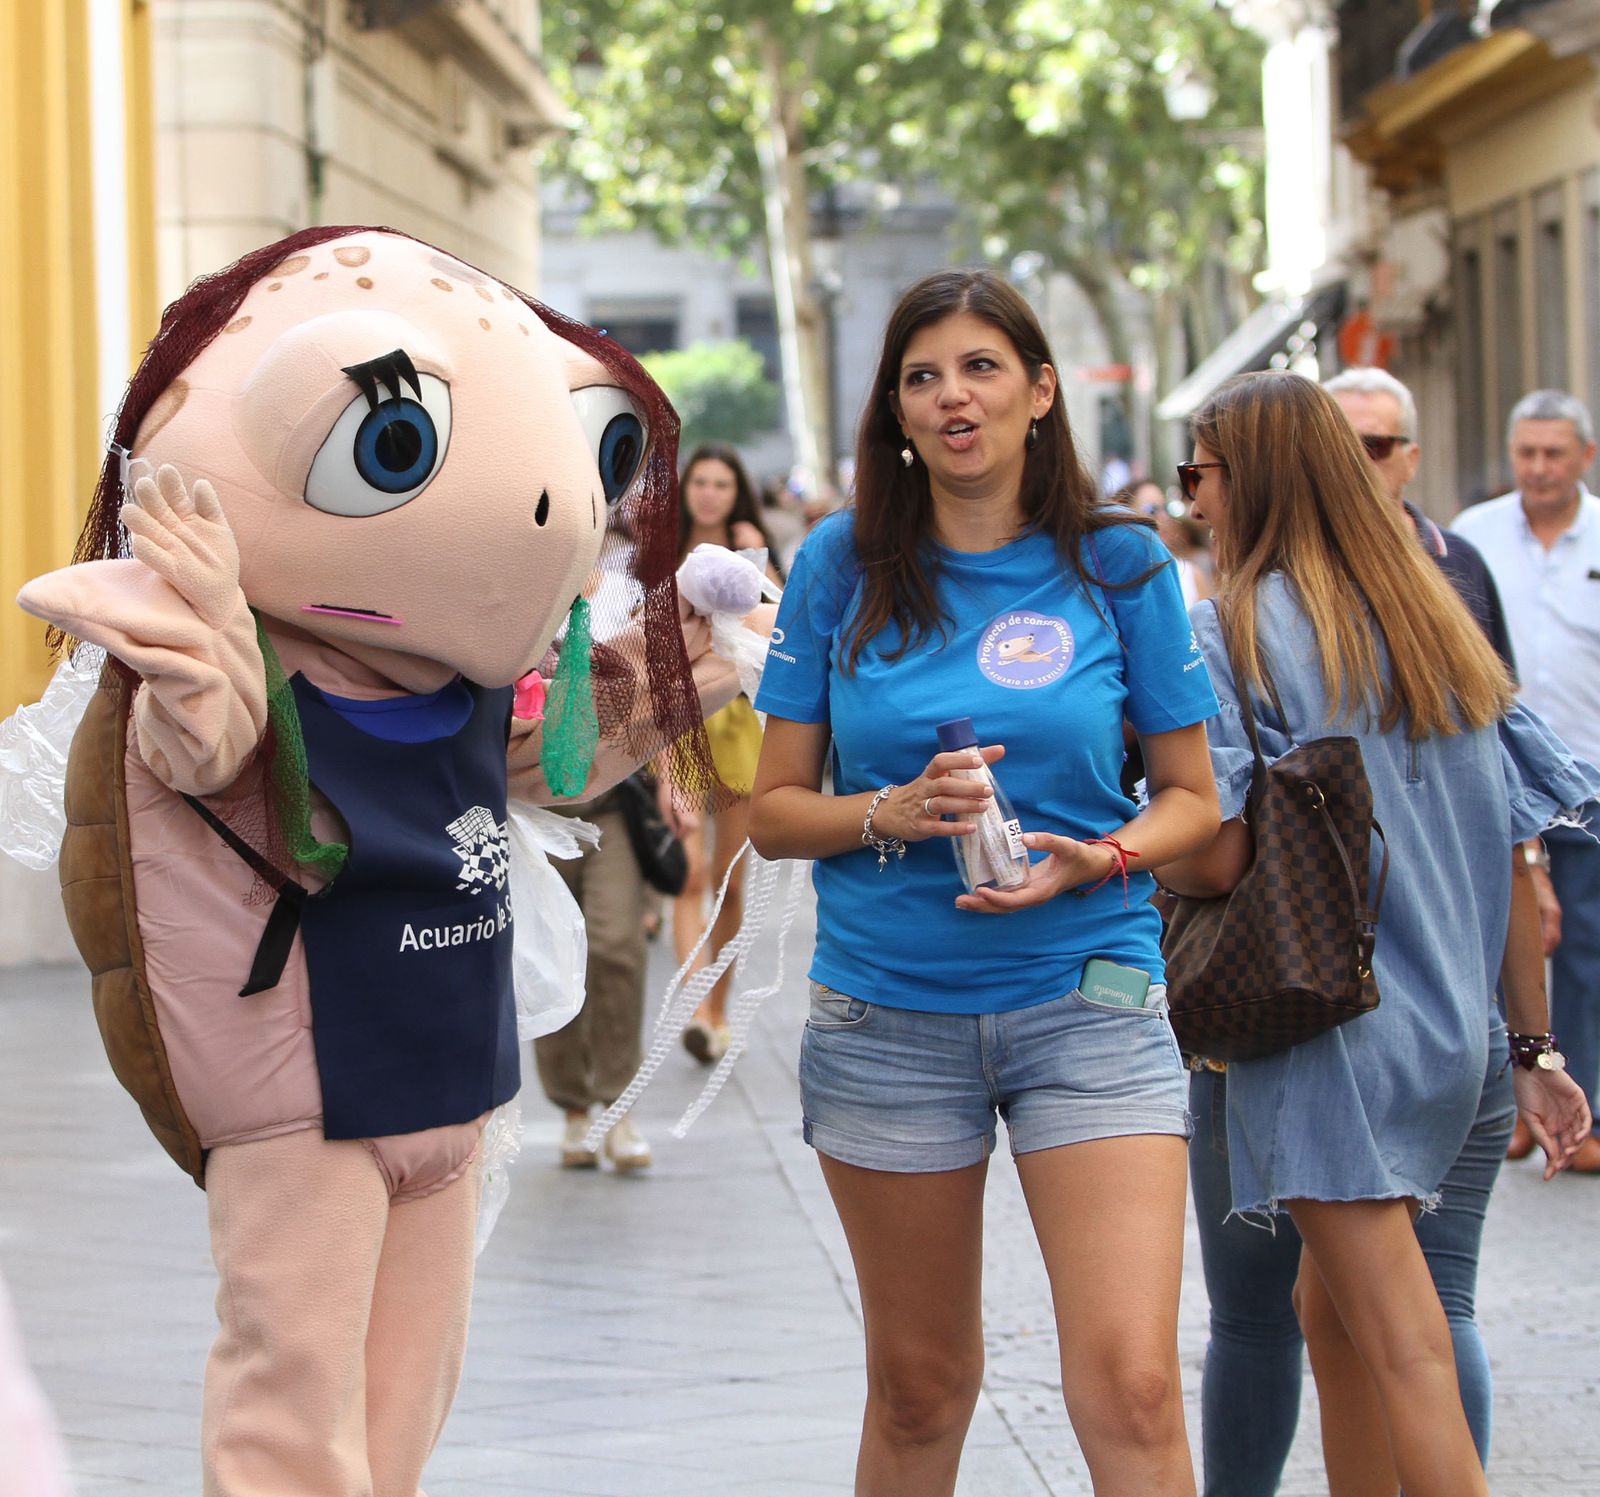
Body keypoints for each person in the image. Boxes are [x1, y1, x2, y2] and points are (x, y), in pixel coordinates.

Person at [748, 269, 1222, 1497]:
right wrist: (888, 813)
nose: (952, 395)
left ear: (1039, 391)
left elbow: (1191, 801)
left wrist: (1097, 860)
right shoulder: (840, 566)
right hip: (886, 1018)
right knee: (919, 1390)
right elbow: (772, 812)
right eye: (922, 376)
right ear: (896, 414)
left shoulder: (1120, 565)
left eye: (980, 367)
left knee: (1133, 1383)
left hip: (1092, 998)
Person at [1162, 370, 1594, 1497]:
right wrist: (1534, 1048)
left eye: (1197, 474)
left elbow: (1215, 853)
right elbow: (1513, 855)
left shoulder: (1234, 631)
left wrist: (1125, 829)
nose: (1191, 500)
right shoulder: (1429, 623)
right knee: (1338, 1315)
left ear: (1247, 480)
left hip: (1328, 1036)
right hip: (1450, 1029)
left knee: (1401, 1336)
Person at [1452, 390, 1600, 1173]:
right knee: (1504, 939)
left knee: (1585, 948)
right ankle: (1512, 1099)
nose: (1540, 468)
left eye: (1555, 453)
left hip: (1590, 783)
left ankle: (1586, 1106)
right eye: (1528, 453)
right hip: (1494, 777)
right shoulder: (1474, 539)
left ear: (1585, 456)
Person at [670, 443, 783, 1063]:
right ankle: (694, 1007)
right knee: (687, 873)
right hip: (680, 726)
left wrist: (755, 558)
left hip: (741, 726)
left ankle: (718, 1007)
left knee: (729, 882)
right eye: (701, 481)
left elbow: (788, 625)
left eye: (722, 483)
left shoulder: (755, 552)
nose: (710, 492)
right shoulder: (661, 556)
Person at [534, 780, 654, 1171]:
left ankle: (618, 1110)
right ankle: (574, 1109)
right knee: (550, 954)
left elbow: (660, 715)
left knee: (616, 944)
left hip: (611, 803)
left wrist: (673, 780)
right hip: (530, 809)